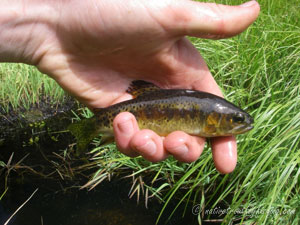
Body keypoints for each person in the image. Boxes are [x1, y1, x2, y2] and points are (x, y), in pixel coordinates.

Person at [0, 0, 260, 173]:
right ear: (215, 119)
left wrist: (47, 25)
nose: (239, 123)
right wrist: (50, 23)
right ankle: (90, 128)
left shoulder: (205, 108)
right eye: (235, 119)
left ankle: (91, 128)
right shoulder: (203, 112)